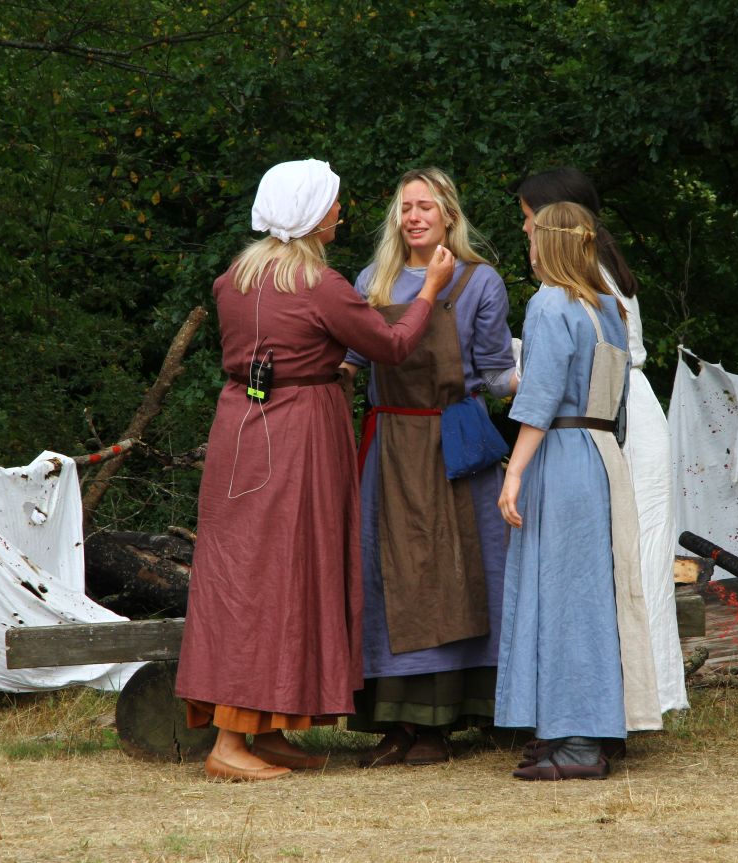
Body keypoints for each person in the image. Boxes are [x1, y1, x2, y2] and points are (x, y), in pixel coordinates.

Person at [175, 159, 455, 782]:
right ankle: (229, 742)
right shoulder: (319, 285)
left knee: (259, 570)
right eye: (332, 204)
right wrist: (429, 290)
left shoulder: (234, 279)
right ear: (309, 215)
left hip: (241, 428)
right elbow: (392, 346)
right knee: (273, 576)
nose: (340, 213)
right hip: (296, 434)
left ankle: (267, 728)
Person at [342, 167, 517, 767]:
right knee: (389, 578)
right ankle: (396, 723)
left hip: (456, 447)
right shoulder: (371, 279)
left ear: (449, 215)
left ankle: (444, 721)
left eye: (426, 207)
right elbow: (349, 359)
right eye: (405, 207)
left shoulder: (479, 280)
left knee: (458, 578)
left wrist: (553, 398)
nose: (414, 217)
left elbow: (496, 371)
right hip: (390, 447)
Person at [495, 201, 661, 780]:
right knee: (590, 594)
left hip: (564, 457)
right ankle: (569, 730)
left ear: (549, 242)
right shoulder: (608, 307)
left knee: (565, 598)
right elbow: (616, 401)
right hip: (601, 456)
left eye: (532, 235)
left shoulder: (550, 304)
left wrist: (514, 471)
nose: (528, 244)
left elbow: (540, 396)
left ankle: (577, 740)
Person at [516, 168, 688, 721]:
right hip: (618, 406)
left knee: (632, 556)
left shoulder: (583, 284)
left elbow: (577, 365)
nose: (525, 229)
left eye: (529, 218)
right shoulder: (597, 273)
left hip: (616, 412)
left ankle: (645, 694)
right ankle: (632, 695)